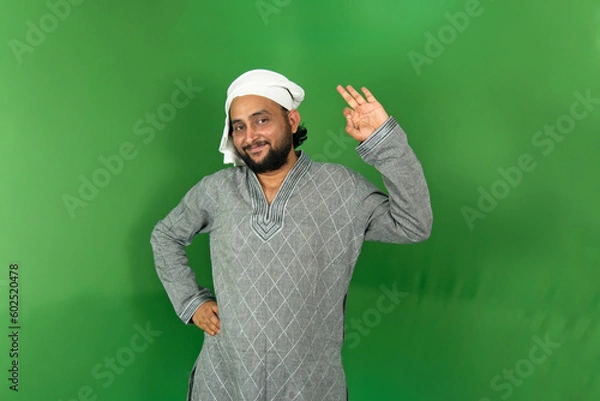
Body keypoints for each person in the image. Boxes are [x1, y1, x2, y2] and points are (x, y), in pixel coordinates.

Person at [150, 68, 432, 401]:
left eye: (261, 120)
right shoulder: (216, 191)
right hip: (224, 382)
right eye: (238, 126)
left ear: (292, 120)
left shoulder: (342, 189)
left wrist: (383, 142)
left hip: (311, 386)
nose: (249, 136)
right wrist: (191, 302)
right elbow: (165, 236)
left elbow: (414, 224)